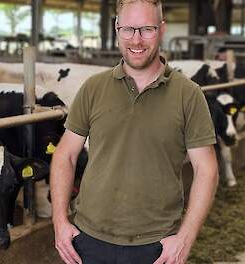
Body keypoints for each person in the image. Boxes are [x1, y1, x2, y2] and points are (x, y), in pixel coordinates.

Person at [50, 1, 219, 264]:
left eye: (147, 29)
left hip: (158, 246)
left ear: (162, 30)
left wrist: (185, 238)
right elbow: (65, 155)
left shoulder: (189, 94)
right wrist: (60, 222)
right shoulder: (93, 88)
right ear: (117, 29)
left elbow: (207, 170)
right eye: (128, 29)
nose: (136, 40)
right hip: (89, 241)